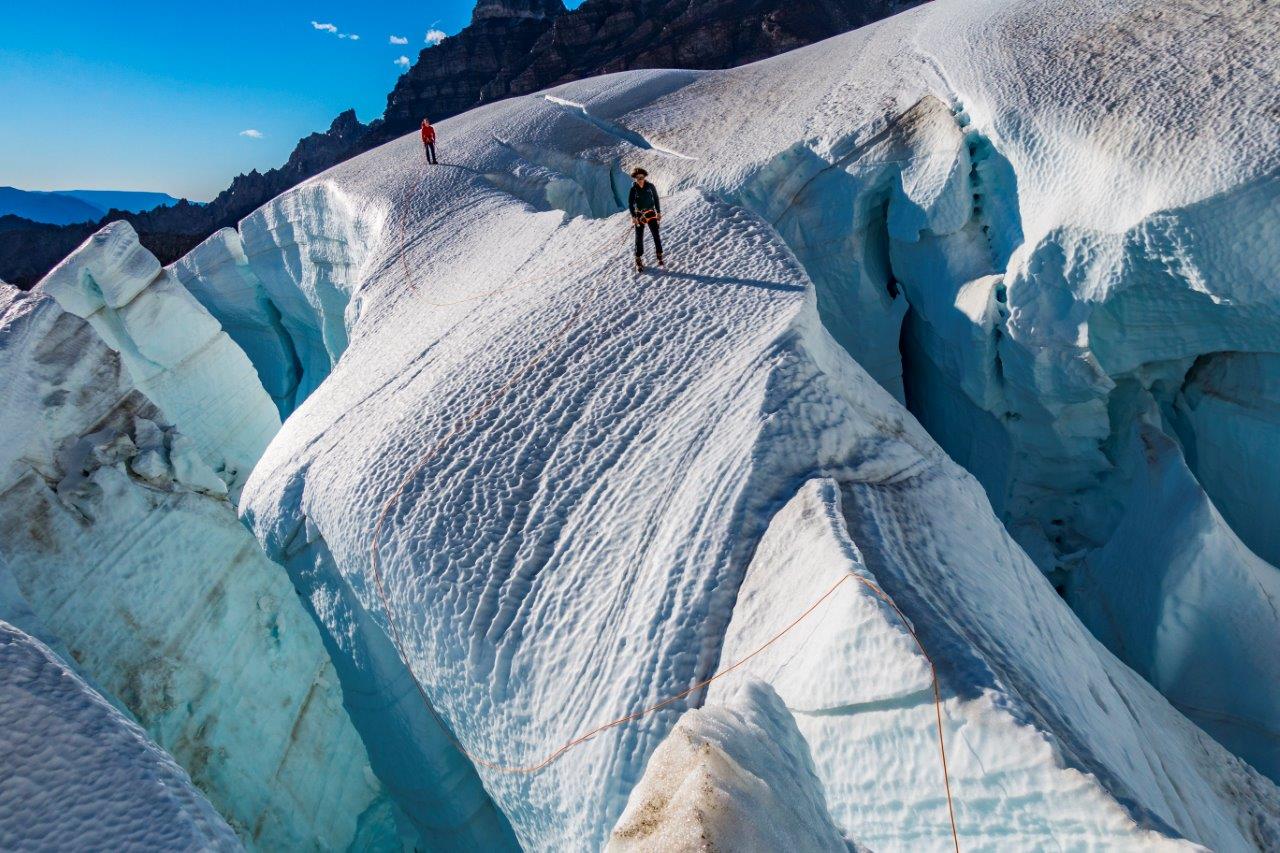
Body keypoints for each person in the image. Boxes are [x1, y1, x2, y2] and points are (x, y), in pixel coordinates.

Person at [628, 168, 663, 271]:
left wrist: (659, 212)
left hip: (651, 212)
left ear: (644, 177)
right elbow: (630, 204)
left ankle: (659, 254)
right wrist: (633, 217)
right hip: (639, 214)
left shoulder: (650, 187)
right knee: (639, 237)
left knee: (655, 234)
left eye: (641, 177)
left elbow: (656, 198)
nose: (640, 179)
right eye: (637, 178)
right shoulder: (633, 189)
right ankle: (638, 258)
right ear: (635, 178)